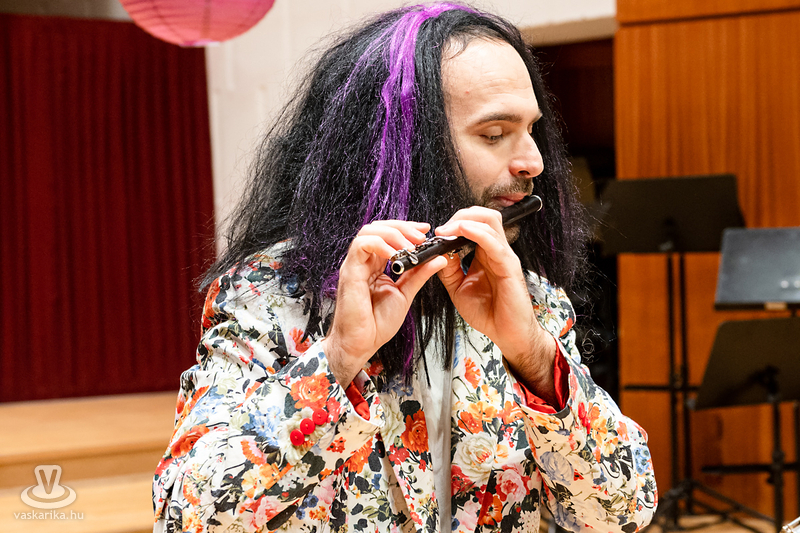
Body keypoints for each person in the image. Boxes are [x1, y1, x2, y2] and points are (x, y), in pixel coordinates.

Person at [152, 3, 657, 532]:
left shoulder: (531, 300)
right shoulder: (267, 294)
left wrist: (534, 357)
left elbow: (622, 514)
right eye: (494, 134)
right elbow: (188, 518)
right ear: (400, 148)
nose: (534, 162)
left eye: (531, 129)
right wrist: (336, 361)